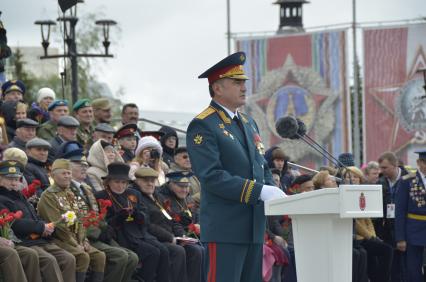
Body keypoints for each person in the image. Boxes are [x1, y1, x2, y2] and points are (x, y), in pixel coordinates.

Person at [186, 51, 286, 282]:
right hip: (225, 228)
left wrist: (274, 191)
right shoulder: (203, 124)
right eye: (237, 82)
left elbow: (261, 166)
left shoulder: (249, 123)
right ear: (218, 88)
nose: (244, 87)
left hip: (253, 228)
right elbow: (211, 176)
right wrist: (259, 191)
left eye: (244, 82)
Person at [65, 150, 139, 282]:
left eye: (84, 164)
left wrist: (105, 228)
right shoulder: (66, 190)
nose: (83, 167)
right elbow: (73, 218)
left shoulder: (86, 188)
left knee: (132, 257)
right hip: (84, 236)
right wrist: (98, 233)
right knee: (121, 256)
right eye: (78, 164)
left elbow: (96, 215)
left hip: (99, 233)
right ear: (68, 170)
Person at [0, 160, 76, 282]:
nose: (14, 182)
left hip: (40, 239)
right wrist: (40, 227)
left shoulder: (20, 196)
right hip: (25, 240)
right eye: (9, 179)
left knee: (68, 258)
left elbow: (35, 216)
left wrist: (46, 226)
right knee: (48, 260)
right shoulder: (2, 198)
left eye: (16, 179)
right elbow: (13, 223)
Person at [37, 159, 106, 282]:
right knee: (82, 257)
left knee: (99, 256)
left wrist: (84, 240)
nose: (68, 176)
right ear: (53, 175)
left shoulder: (70, 193)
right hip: (57, 239)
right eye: (64, 173)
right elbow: (58, 226)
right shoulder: (48, 196)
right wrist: (75, 244)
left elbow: (80, 220)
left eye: (69, 173)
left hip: (76, 239)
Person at [95, 162, 164, 282]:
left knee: (161, 250)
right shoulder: (101, 196)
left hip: (137, 234)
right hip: (117, 236)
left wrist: (138, 214)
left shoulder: (134, 194)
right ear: (109, 182)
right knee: (152, 252)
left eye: (124, 182)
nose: (120, 186)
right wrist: (119, 217)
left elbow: (145, 218)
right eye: (117, 182)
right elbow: (102, 223)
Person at [132, 167, 188, 282]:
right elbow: (148, 224)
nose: (150, 184)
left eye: (152, 181)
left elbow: (173, 218)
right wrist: (170, 237)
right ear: (137, 181)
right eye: (145, 181)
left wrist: (181, 235)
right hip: (153, 238)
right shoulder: (136, 196)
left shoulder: (158, 196)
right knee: (177, 251)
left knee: (196, 250)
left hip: (170, 237)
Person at [345, 166, 393, 282]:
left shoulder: (361, 193)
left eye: (355, 177)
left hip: (366, 237)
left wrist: (373, 236)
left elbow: (368, 220)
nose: (352, 179)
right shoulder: (345, 194)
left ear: (360, 180)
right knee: (387, 250)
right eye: (348, 177)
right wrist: (370, 237)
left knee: (376, 256)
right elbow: (354, 222)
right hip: (356, 237)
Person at [159, 171, 204, 282]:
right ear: (170, 184)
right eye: (180, 186)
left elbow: (195, 214)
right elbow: (171, 221)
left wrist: (198, 225)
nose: (184, 190)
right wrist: (186, 234)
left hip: (189, 234)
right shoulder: (163, 198)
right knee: (197, 251)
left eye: (187, 186)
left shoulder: (187, 198)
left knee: (208, 246)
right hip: (174, 235)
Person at [377, 151, 408, 282]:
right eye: (380, 168)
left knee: (407, 268)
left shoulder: (410, 180)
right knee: (393, 268)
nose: (382, 170)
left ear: (395, 165)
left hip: (407, 230)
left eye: (385, 167)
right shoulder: (380, 183)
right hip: (388, 231)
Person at [395, 150, 426, 282]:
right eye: (425, 162)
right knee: (413, 270)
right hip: (413, 230)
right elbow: (400, 210)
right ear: (419, 163)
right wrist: (400, 238)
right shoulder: (407, 181)